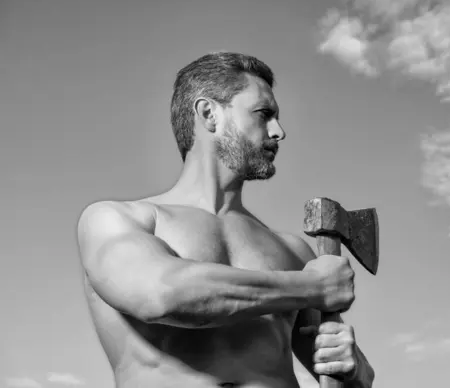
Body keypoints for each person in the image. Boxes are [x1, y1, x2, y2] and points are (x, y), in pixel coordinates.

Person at [76, 52, 375, 388]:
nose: (278, 132)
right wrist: (312, 287)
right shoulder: (117, 220)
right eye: (264, 115)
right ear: (209, 114)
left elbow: (356, 379)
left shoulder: (294, 252)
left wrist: (353, 370)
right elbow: (161, 296)